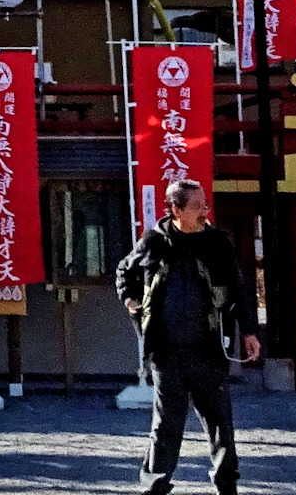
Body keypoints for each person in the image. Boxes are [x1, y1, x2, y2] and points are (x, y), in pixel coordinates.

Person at [115, 178, 261, 495]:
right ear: (176, 209)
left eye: (205, 204)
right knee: (166, 423)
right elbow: (124, 270)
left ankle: (226, 483)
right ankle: (155, 483)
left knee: (219, 420)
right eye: (197, 206)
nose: (204, 211)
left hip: (207, 348)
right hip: (166, 352)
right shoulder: (154, 240)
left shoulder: (217, 243)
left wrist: (249, 330)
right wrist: (131, 301)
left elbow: (238, 288)